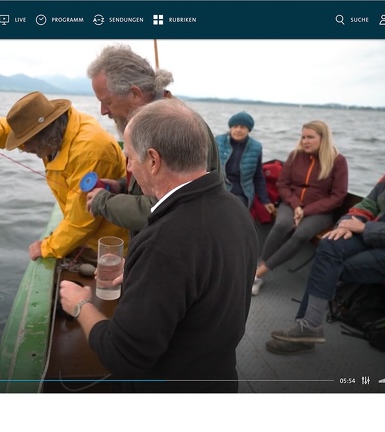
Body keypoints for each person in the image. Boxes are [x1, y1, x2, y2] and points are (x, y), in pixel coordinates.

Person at [59, 99, 258, 392]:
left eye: (130, 157)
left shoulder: (164, 243)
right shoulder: (236, 209)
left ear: (153, 160)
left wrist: (81, 305)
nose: (128, 166)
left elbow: (124, 356)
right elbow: (204, 280)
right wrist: (146, 274)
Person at [0, 91, 129, 261]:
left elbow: (82, 219)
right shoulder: (57, 130)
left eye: (26, 143)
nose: (23, 148)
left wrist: (47, 247)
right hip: (88, 238)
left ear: (45, 134)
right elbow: (12, 130)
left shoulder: (89, 151)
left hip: (113, 246)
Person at [85, 44, 221, 238]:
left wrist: (104, 202)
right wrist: (123, 186)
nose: (103, 111)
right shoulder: (152, 123)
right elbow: (158, 182)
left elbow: (165, 205)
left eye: (107, 102)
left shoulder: (169, 128)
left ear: (135, 94)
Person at [266, 173, 385, 355]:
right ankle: (309, 327)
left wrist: (366, 228)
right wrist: (345, 224)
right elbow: (367, 205)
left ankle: (306, 332)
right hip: (374, 235)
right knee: (329, 245)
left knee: (328, 268)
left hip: (375, 235)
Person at [252, 120, 348, 296]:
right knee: (281, 225)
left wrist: (306, 211)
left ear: (323, 138)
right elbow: (283, 184)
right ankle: (258, 270)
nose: (305, 141)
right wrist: (296, 205)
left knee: (301, 234)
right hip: (291, 203)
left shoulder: (338, 161)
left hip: (320, 210)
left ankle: (258, 273)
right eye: (303, 137)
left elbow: (338, 196)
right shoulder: (295, 155)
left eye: (310, 137)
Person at [215, 111, 275, 214]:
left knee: (232, 211)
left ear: (249, 130)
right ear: (231, 128)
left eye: (242, 127)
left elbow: (258, 176)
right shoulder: (218, 141)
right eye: (235, 126)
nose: (238, 130)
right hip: (219, 186)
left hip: (242, 191)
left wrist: (265, 200)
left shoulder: (256, 147)